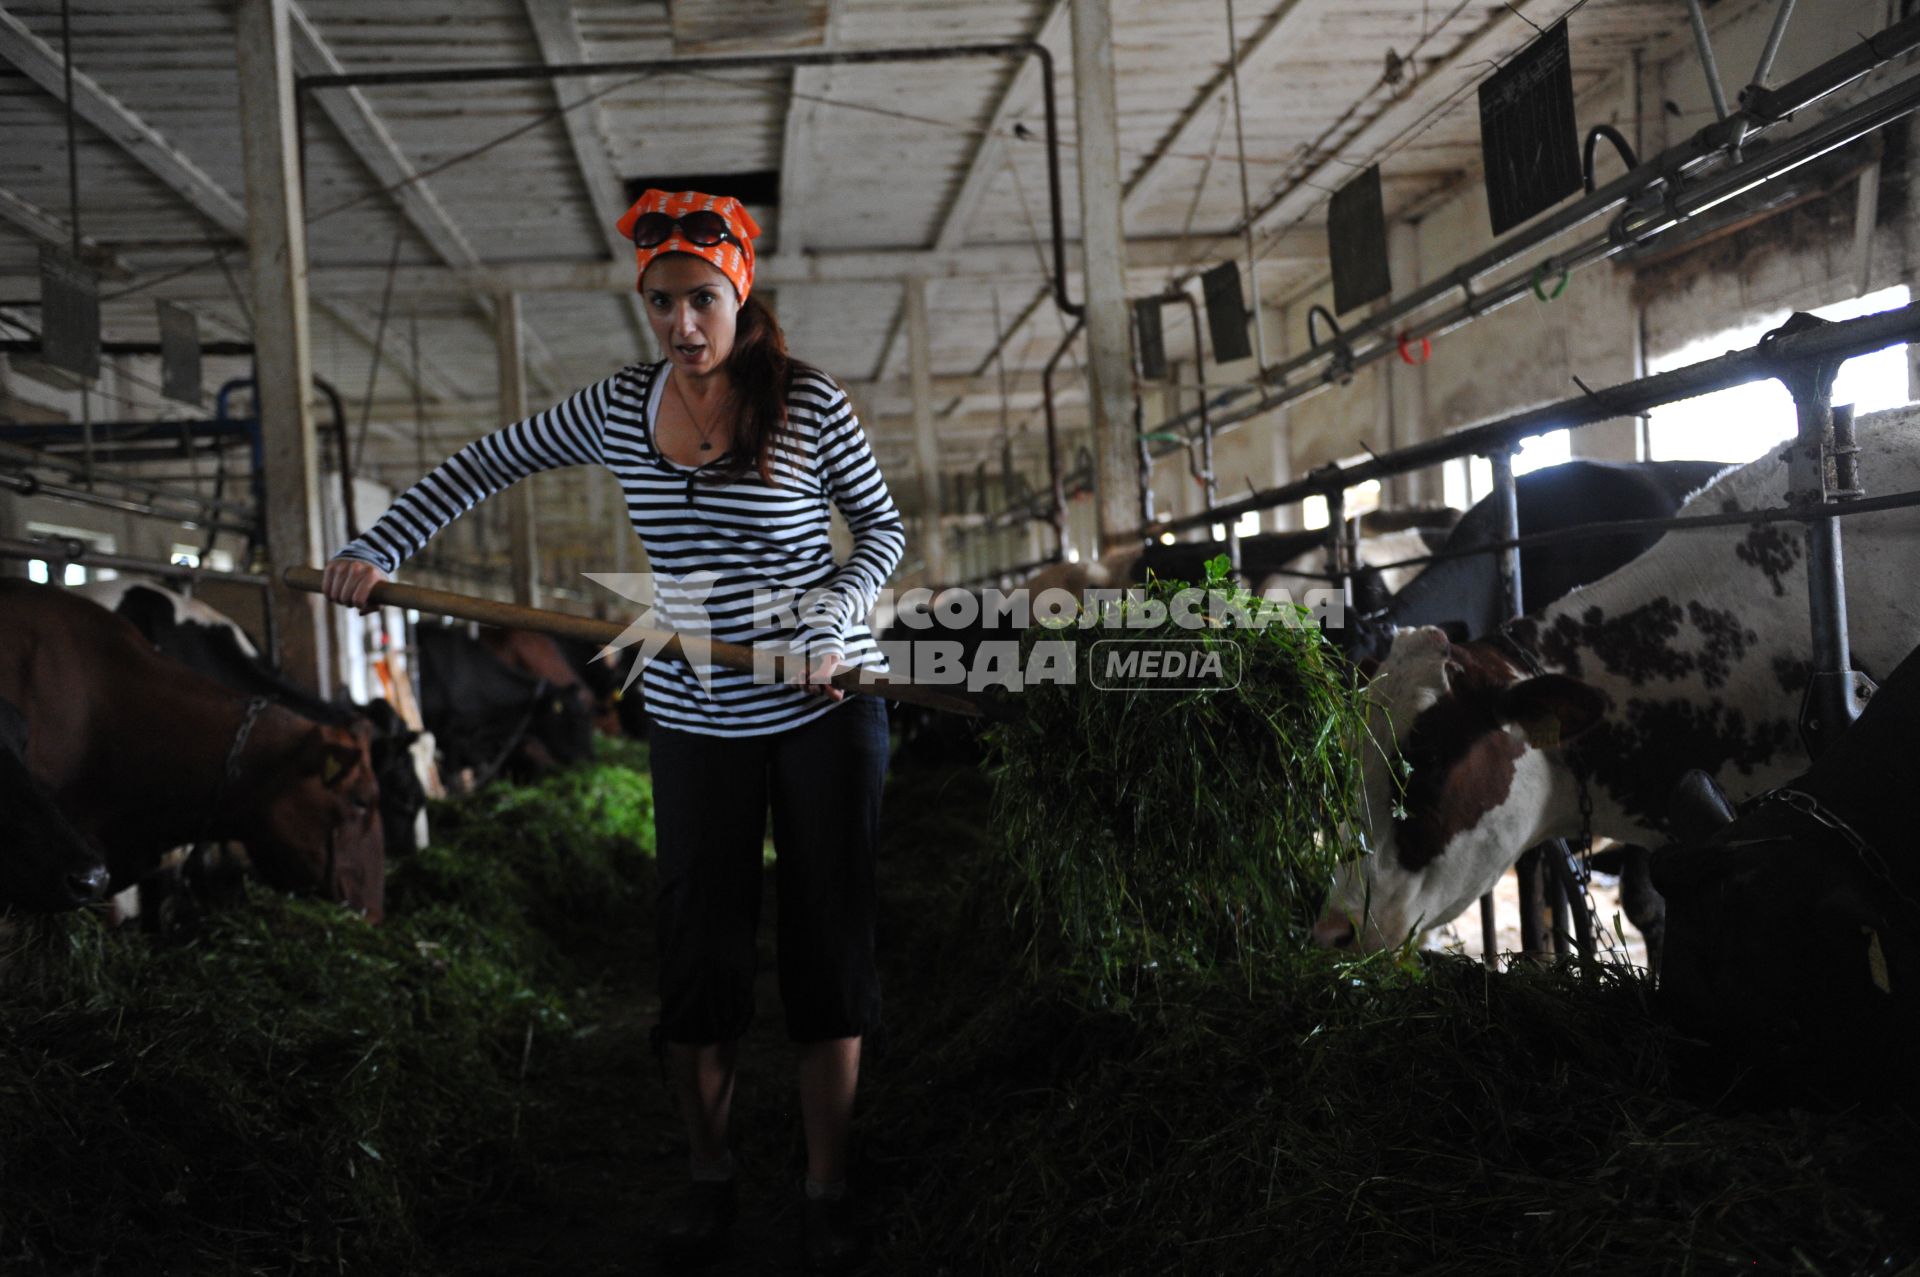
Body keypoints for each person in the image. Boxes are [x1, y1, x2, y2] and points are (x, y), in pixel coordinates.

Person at [321, 188, 904, 1272]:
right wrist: (377, 545)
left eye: (703, 300)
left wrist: (835, 614)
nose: (683, 325)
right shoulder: (615, 408)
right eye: (662, 303)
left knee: (830, 946)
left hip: (823, 709)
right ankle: (710, 1171)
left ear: (741, 293)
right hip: (694, 714)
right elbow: (480, 463)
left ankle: (827, 1183)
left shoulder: (810, 404)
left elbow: (881, 527)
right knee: (698, 950)